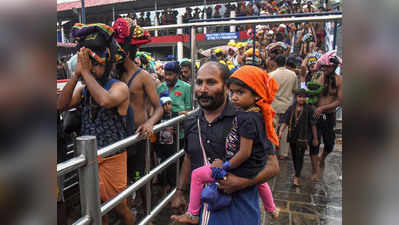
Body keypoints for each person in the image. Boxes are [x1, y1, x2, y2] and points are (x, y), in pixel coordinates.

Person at [170, 61, 280, 225]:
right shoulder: (192, 121)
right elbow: (189, 157)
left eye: (211, 82)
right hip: (202, 213)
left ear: (226, 87)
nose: (203, 89)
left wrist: (241, 182)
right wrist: (180, 191)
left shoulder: (245, 118)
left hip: (240, 213)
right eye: (199, 82)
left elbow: (273, 166)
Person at [56, 23, 134, 225]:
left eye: (96, 64)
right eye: (90, 64)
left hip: (113, 158)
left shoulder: (120, 87)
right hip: (89, 158)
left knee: (121, 207)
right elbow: (60, 105)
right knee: (96, 208)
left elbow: (105, 101)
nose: (93, 68)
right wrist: (76, 75)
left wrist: (86, 74)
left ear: (108, 64)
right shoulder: (84, 89)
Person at [112, 17, 164, 213]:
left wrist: (150, 123)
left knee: (142, 178)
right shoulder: (112, 74)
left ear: (126, 52)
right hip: (118, 137)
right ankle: (128, 214)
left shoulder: (143, 77)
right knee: (121, 179)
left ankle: (148, 214)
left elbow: (158, 107)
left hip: (138, 136)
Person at [279, 88, 319, 185]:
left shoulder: (309, 109)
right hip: (293, 135)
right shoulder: (291, 108)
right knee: (294, 155)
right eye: (299, 97)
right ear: (295, 97)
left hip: (303, 136)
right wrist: (281, 131)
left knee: (300, 156)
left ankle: (296, 176)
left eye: (304, 97)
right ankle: (297, 171)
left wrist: (315, 138)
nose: (301, 99)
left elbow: (313, 124)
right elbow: (285, 120)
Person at [312, 50, 342, 169]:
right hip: (316, 114)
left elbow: (339, 101)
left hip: (329, 115)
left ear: (333, 67)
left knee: (329, 144)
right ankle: (315, 169)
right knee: (314, 142)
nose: (324, 69)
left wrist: (323, 108)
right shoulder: (317, 78)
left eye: (326, 67)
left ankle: (322, 157)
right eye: (323, 66)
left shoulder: (339, 80)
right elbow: (311, 95)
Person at [157, 61, 192, 148]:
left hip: (180, 132)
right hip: (163, 130)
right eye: (166, 74)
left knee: (179, 157)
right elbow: (157, 108)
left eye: (170, 74)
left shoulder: (186, 87)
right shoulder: (160, 87)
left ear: (177, 75)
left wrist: (181, 117)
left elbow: (189, 110)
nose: (167, 77)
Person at [270, 54, 298, 160]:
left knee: (272, 129)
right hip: (287, 106)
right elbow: (295, 90)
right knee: (285, 130)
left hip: (274, 105)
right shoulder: (293, 75)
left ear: (276, 63)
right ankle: (283, 153)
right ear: (285, 62)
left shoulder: (271, 75)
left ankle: (271, 153)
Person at [155, 96, 179, 196]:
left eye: (169, 104)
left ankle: (172, 185)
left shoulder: (174, 115)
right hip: (161, 146)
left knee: (172, 165)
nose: (167, 106)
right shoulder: (158, 117)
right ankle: (164, 185)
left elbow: (181, 115)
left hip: (171, 145)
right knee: (162, 167)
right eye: (165, 104)